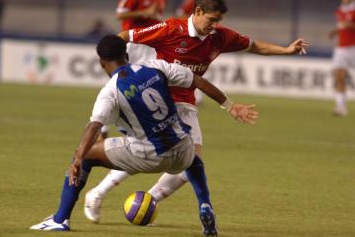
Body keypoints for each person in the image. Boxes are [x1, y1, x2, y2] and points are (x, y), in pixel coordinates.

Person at [84, 0, 309, 223]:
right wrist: (122, 72)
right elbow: (125, 36)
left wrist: (285, 49)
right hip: (160, 103)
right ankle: (97, 194)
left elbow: (253, 46)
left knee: (188, 164)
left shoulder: (220, 37)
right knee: (152, 154)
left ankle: (145, 201)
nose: (214, 26)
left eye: (218, 21)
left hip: (187, 105)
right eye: (212, 20)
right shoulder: (170, 29)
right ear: (198, 11)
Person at [29, 35, 258, 236]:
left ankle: (60, 220)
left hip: (149, 155)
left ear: (101, 63)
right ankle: (205, 205)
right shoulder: (156, 67)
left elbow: (94, 127)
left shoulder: (110, 90)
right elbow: (197, 81)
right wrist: (229, 105)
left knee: (87, 155)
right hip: (183, 151)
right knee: (194, 157)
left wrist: (78, 159)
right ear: (126, 54)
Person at [99, 0, 168, 137]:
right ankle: (103, 126)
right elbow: (120, 14)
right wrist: (144, 12)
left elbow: (156, 21)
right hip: (132, 45)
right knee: (117, 83)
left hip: (150, 48)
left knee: (147, 85)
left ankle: (138, 128)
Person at [329, 0, 355, 116]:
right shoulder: (339, 10)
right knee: (338, 75)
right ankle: (341, 107)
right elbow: (341, 26)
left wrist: (350, 25)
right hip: (341, 48)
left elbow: (347, 25)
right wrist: (334, 32)